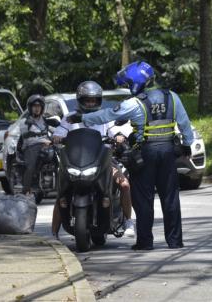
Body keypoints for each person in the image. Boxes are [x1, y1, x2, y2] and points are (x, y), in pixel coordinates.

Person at [67, 61, 194, 251]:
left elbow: (107, 115)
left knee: (143, 199)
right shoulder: (172, 97)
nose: (127, 87)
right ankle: (175, 241)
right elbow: (184, 124)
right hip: (168, 152)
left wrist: (82, 118)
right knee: (170, 198)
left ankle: (145, 242)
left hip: (145, 154)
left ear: (136, 83)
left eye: (128, 84)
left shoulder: (135, 103)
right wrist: (186, 144)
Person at [51, 81, 136, 239]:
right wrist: (57, 137)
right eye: (87, 100)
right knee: (61, 192)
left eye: (94, 100)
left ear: (99, 101)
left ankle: (129, 221)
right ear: (80, 100)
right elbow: (60, 131)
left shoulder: (105, 116)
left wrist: (119, 137)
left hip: (103, 161)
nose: (90, 103)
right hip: (74, 162)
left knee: (124, 184)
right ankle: (53, 234)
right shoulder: (69, 118)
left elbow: (115, 130)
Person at [19, 94, 51, 196]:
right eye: (34, 106)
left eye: (39, 106)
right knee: (31, 166)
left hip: (46, 146)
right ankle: (26, 190)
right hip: (30, 147)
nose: (37, 109)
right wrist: (41, 141)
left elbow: (54, 131)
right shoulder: (25, 121)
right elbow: (26, 137)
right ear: (30, 107)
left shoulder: (45, 120)